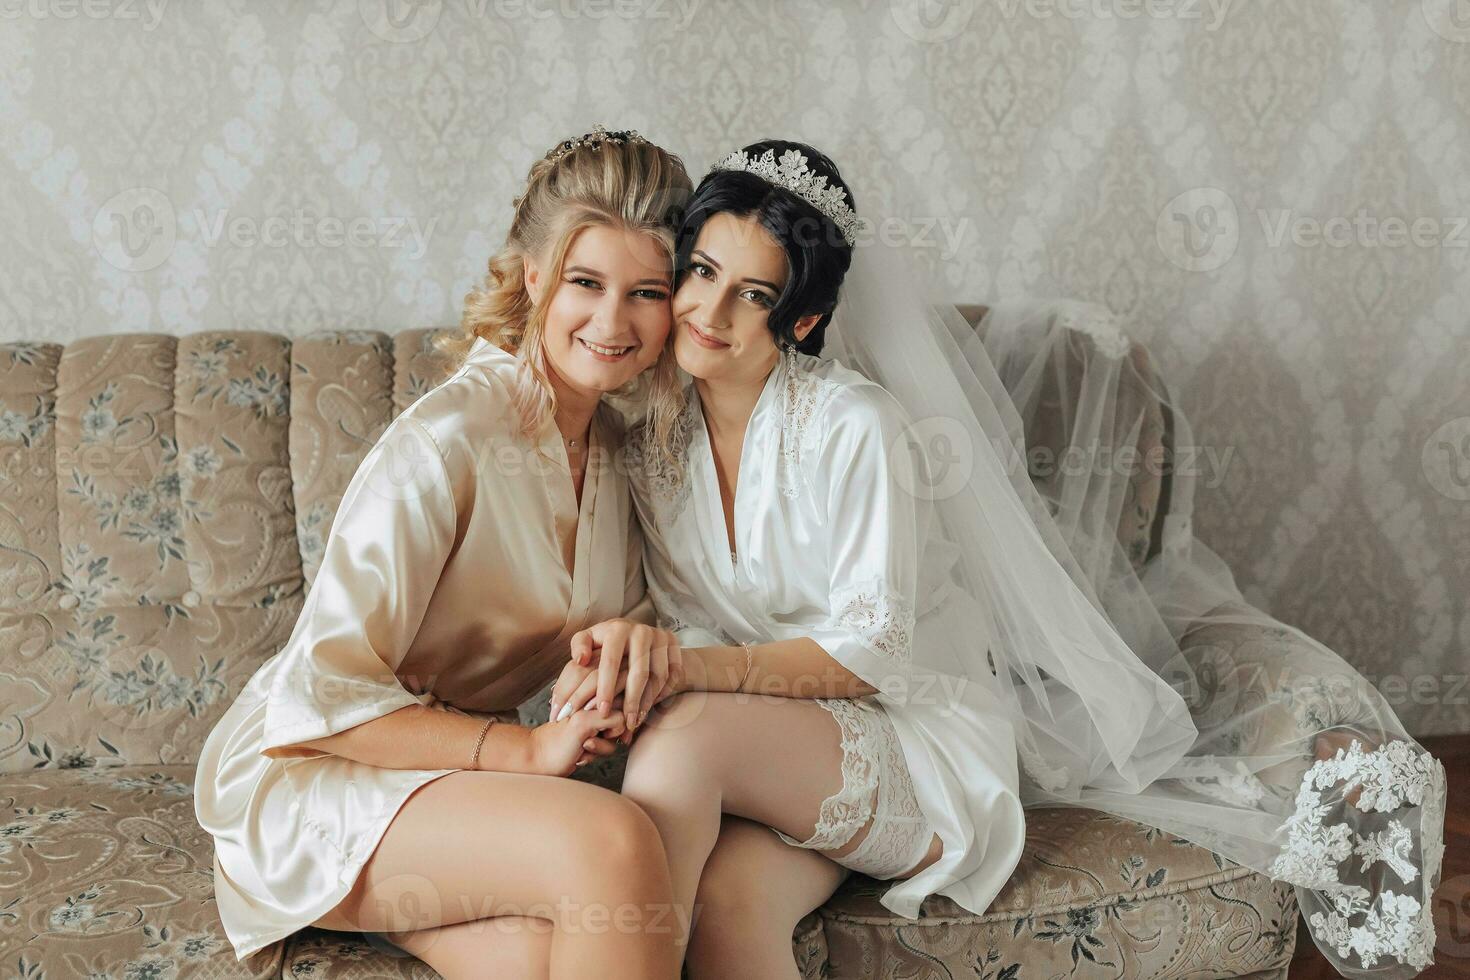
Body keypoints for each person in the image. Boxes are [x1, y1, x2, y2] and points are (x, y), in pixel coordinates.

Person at [554, 139, 1449, 980]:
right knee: (728, 909)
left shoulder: (857, 428)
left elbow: (871, 652)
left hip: (912, 736)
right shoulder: (652, 440)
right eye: (701, 271)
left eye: (753, 293)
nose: (709, 311)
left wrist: (684, 673)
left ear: (805, 315)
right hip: (769, 747)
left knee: (681, 743)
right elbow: (681, 612)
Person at [193, 126, 692, 979]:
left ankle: (400, 909)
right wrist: (527, 753)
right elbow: (320, 699)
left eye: (645, 291)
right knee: (612, 843)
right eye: (585, 282)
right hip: (314, 775)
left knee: (554, 957)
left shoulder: (622, 451)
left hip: (454, 791)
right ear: (533, 276)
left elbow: (617, 638)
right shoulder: (448, 441)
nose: (613, 321)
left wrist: (639, 654)